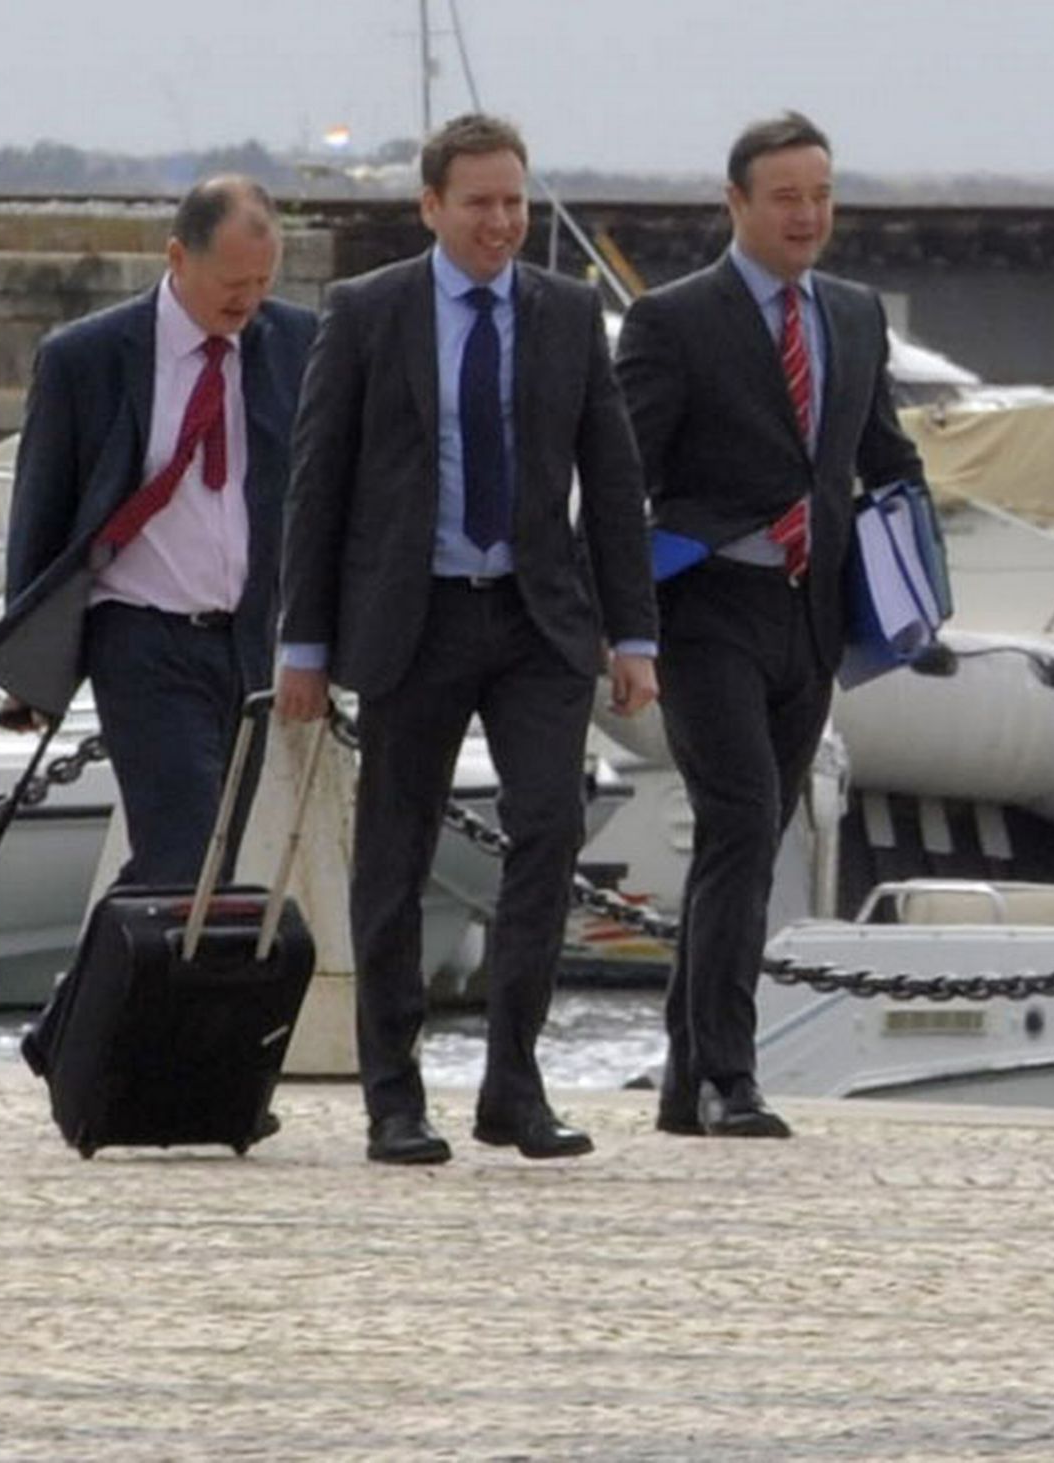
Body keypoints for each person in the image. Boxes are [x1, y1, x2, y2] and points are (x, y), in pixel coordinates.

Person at [277, 113, 657, 1167]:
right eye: (480, 202)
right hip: (416, 615)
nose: (501, 221)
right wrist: (302, 644)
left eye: (515, 202)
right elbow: (319, 485)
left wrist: (632, 632)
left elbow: (613, 483)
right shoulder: (368, 313)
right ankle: (394, 1096)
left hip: (537, 618)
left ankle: (513, 1085)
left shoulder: (569, 313)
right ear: (432, 207)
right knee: (392, 858)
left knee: (548, 830)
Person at [617, 112, 925, 1140]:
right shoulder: (674, 320)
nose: (806, 214)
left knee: (748, 837)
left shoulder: (851, 313)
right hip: (707, 608)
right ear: (737, 204)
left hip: (812, 612)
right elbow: (623, 481)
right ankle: (728, 1078)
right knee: (743, 820)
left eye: (821, 194)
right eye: (785, 196)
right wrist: (623, 625)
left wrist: (916, 584)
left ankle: (680, 1078)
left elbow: (881, 457)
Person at [0, 176, 315, 889]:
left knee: (214, 864)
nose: (245, 300)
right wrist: (24, 663)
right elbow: (42, 508)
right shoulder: (86, 359)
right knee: (179, 854)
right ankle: (96, 1001)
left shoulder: (296, 344)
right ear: (177, 259)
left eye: (262, 280)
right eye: (229, 282)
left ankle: (97, 1002)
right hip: (140, 634)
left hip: (247, 638)